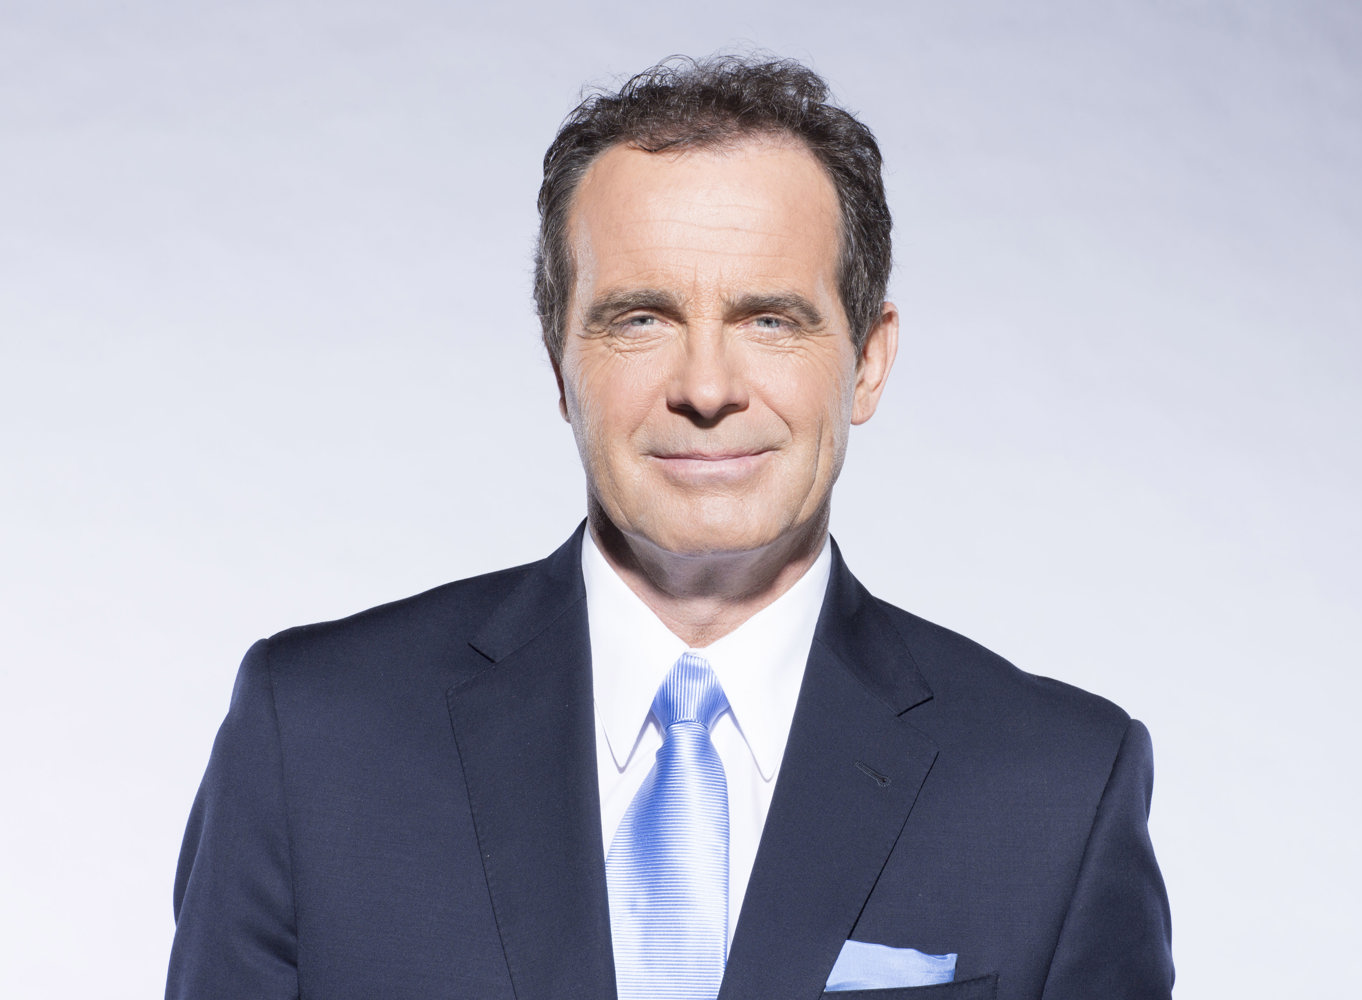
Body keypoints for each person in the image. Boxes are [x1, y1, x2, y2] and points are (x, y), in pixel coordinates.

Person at [167, 55, 1174, 1000]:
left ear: (867, 362)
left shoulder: (1056, 792)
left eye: (769, 319)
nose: (706, 386)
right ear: (560, 364)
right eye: (640, 318)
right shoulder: (315, 739)